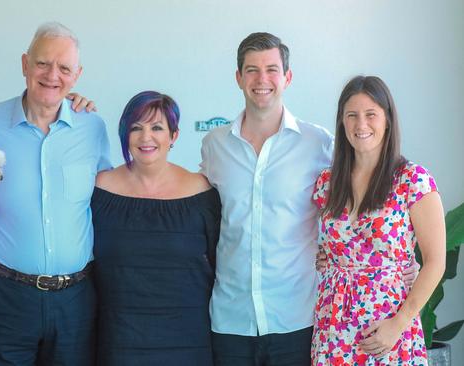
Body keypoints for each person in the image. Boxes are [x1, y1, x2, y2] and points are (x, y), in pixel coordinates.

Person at [0, 22, 111, 366]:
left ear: (77, 76)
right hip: (4, 297)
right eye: (43, 63)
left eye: (64, 68)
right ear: (25, 64)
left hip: (75, 302)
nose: (52, 75)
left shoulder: (92, 127)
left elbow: (112, 199)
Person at [200, 32, 334, 365]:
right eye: (252, 70)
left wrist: (403, 261)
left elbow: (355, 208)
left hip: (298, 318)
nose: (263, 79)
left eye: (272, 69)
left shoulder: (319, 144)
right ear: (238, 78)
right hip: (231, 320)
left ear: (287, 77)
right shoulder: (214, 144)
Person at [310, 75, 445, 365]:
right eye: (352, 115)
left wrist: (399, 323)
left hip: (387, 331)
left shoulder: (413, 180)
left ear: (387, 120)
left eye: (371, 114)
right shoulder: (326, 183)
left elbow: (436, 261)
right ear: (342, 122)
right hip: (332, 329)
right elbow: (317, 246)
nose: (361, 125)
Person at [93, 91, 221, 365]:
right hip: (119, 340)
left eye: (157, 127)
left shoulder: (202, 191)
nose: (145, 137)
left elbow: (220, 262)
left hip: (188, 339)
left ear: (173, 136)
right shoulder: (99, 189)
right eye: (136, 128)